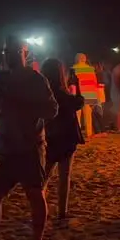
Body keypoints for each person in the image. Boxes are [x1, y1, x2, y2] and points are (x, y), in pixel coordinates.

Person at [0, 37, 59, 240]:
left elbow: (52, 110)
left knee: (35, 194)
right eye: (6, 51)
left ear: (25, 53)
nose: (9, 55)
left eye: (14, 51)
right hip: (4, 145)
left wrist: (20, 102)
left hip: (29, 146)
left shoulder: (36, 79)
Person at [41, 58, 86, 223]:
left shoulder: (46, 93)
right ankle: (62, 212)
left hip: (51, 136)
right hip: (66, 137)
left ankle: (40, 208)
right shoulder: (63, 93)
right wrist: (78, 85)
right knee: (64, 176)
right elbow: (79, 102)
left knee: (45, 175)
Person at [71, 53, 100, 139]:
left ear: (77, 59)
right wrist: (96, 96)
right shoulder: (90, 69)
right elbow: (95, 83)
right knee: (88, 114)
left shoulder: (73, 69)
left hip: (78, 93)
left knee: (77, 114)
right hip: (89, 93)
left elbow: (70, 82)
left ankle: (77, 133)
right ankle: (89, 133)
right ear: (84, 59)